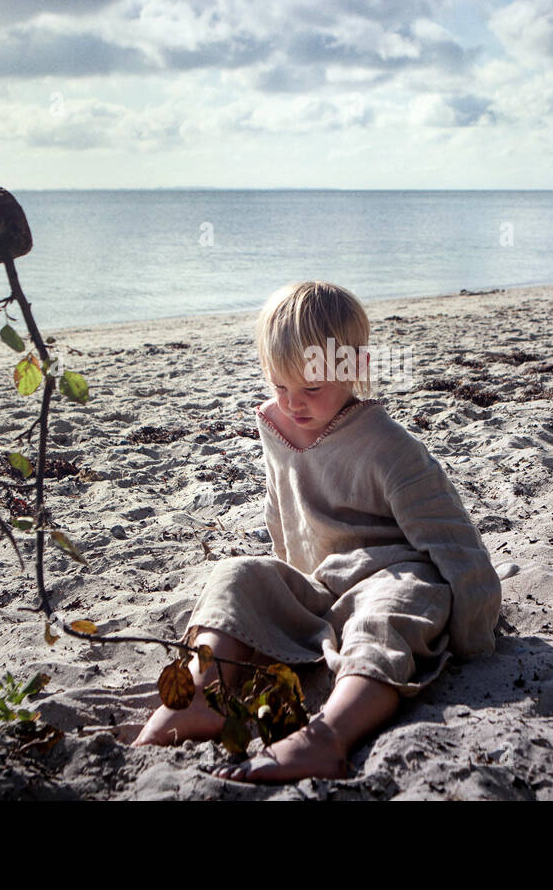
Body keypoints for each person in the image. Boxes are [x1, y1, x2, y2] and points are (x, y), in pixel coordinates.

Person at [135, 280, 502, 783]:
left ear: (357, 370)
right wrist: (282, 600)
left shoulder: (389, 446)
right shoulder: (276, 426)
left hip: (393, 576)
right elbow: (280, 514)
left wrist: (475, 639)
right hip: (322, 584)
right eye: (278, 385)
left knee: (382, 618)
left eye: (310, 388)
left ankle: (326, 737)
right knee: (236, 575)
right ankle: (198, 696)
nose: (292, 404)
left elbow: (452, 539)